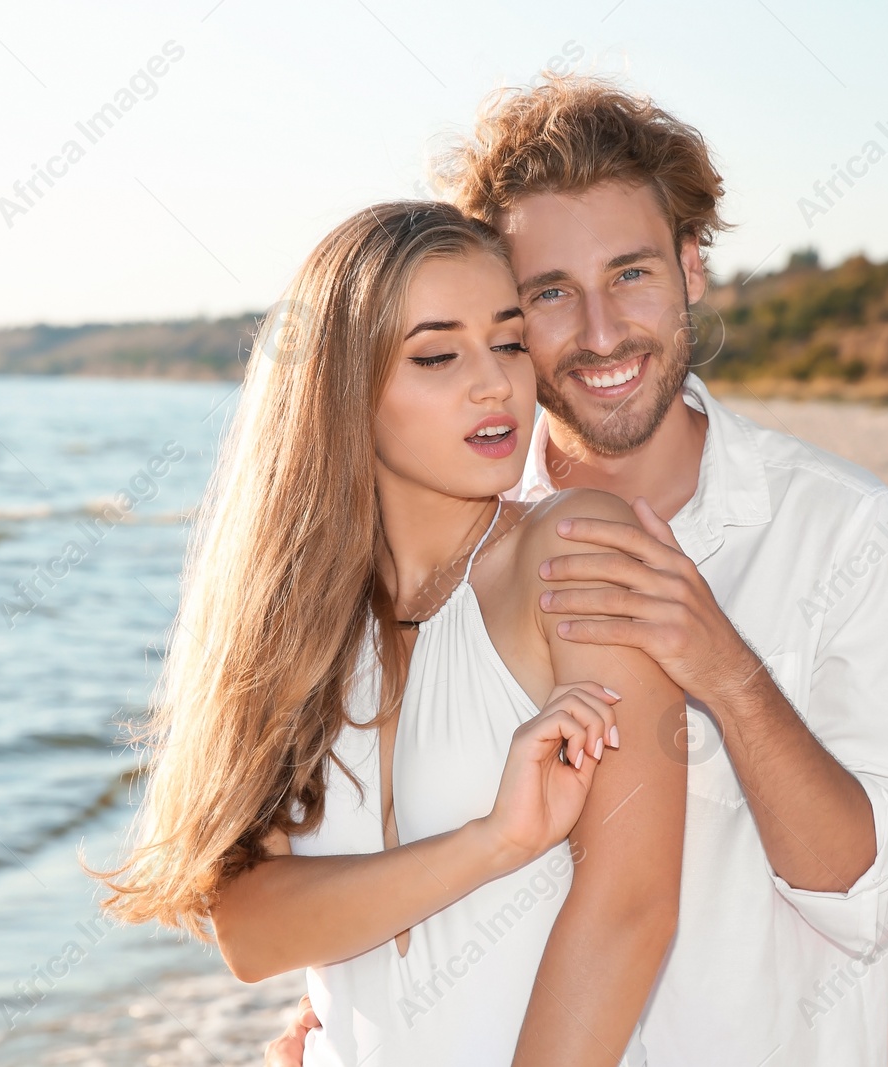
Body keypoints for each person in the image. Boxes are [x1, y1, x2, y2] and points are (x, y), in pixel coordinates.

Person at [267, 76, 888, 1066]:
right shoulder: (431, 547)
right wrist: (352, 1012)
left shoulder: (836, 526)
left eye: (629, 273)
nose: (597, 332)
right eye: (548, 293)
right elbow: (365, 850)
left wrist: (723, 665)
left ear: (691, 266)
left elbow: (871, 897)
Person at [92, 200, 687, 1066]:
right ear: (343, 390)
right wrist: (492, 843)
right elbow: (253, 931)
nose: (496, 383)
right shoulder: (291, 617)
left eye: (511, 341)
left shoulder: (576, 546)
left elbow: (632, 909)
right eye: (439, 355)